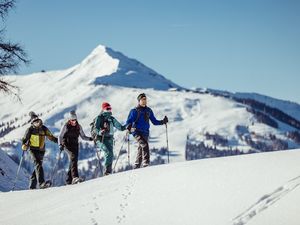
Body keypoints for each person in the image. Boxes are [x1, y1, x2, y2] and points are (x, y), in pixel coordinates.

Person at [126, 93, 168, 169]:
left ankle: (137, 165)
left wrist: (163, 121)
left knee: (141, 147)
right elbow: (128, 121)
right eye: (143, 99)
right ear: (139, 101)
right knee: (144, 144)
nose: (145, 101)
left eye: (145, 99)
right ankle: (146, 163)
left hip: (145, 132)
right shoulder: (134, 111)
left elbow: (154, 122)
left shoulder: (149, 110)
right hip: (136, 132)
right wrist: (128, 126)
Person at [21, 111, 58, 189]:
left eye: (37, 121)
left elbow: (50, 137)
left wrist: (59, 141)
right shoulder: (30, 130)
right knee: (38, 164)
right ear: (32, 123)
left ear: (39, 120)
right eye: (34, 122)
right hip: (33, 150)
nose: (36, 123)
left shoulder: (44, 128)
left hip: (41, 150)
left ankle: (32, 186)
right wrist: (24, 145)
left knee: (38, 167)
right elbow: (24, 139)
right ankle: (41, 183)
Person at [58, 110, 93, 184]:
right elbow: (60, 136)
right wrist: (60, 144)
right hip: (67, 145)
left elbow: (83, 136)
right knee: (73, 157)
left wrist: (90, 139)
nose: (74, 122)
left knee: (73, 161)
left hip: (75, 146)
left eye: (75, 120)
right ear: (70, 120)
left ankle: (68, 180)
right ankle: (75, 177)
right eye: (72, 120)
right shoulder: (66, 126)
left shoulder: (78, 126)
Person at [93, 102, 126, 175]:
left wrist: (127, 126)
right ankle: (107, 172)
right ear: (103, 109)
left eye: (110, 108)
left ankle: (108, 171)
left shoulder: (111, 118)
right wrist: (100, 132)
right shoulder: (99, 118)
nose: (109, 110)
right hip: (101, 138)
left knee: (110, 154)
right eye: (108, 108)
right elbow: (95, 129)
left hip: (110, 139)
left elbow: (120, 127)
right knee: (108, 152)